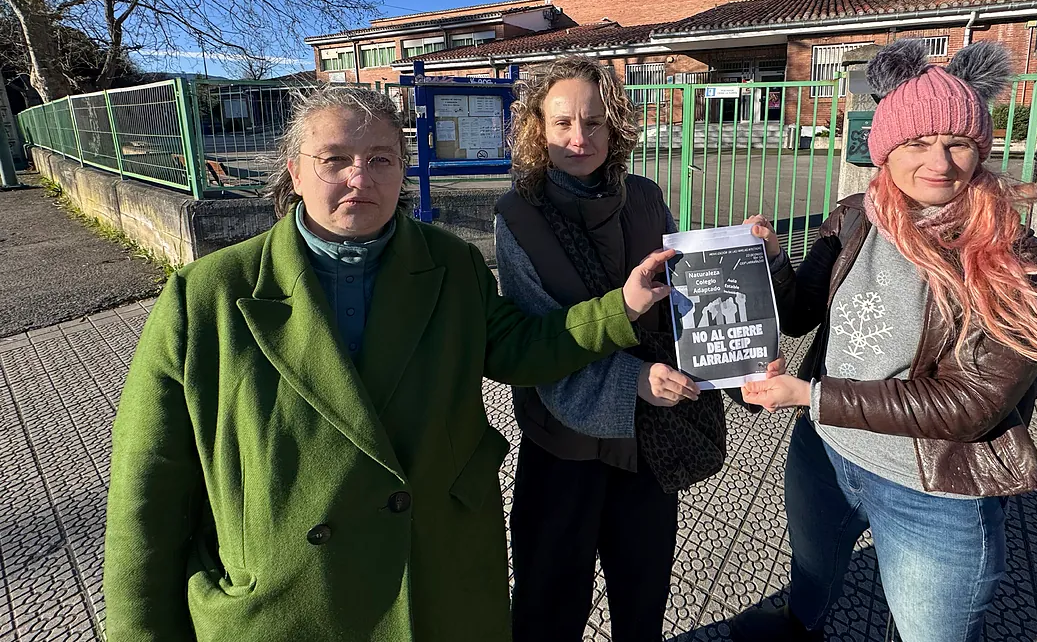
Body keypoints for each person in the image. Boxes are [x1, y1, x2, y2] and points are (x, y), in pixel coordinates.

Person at [102, 85, 674, 642]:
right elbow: (148, 491)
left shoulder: (452, 264)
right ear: (295, 173)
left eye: (381, 159)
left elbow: (521, 347)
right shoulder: (206, 296)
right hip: (288, 602)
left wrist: (622, 307)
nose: (361, 178)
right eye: (335, 159)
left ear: (402, 171)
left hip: (434, 582)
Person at [731, 39, 1037, 642]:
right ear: (885, 149)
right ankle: (800, 625)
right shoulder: (855, 216)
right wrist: (773, 262)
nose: (940, 161)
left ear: (981, 149)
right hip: (826, 451)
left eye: (958, 142)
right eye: (917, 142)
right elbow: (802, 314)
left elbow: (973, 405)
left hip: (934, 486)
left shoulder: (1019, 261)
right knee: (812, 569)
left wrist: (809, 396)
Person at [495, 56, 737, 642]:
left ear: (615, 125)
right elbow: (534, 341)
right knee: (548, 605)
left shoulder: (646, 198)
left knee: (643, 593)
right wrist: (631, 381)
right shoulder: (517, 216)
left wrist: (748, 268)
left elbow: (690, 292)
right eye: (562, 123)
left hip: (647, 442)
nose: (579, 138)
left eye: (594, 122)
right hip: (562, 443)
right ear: (537, 128)